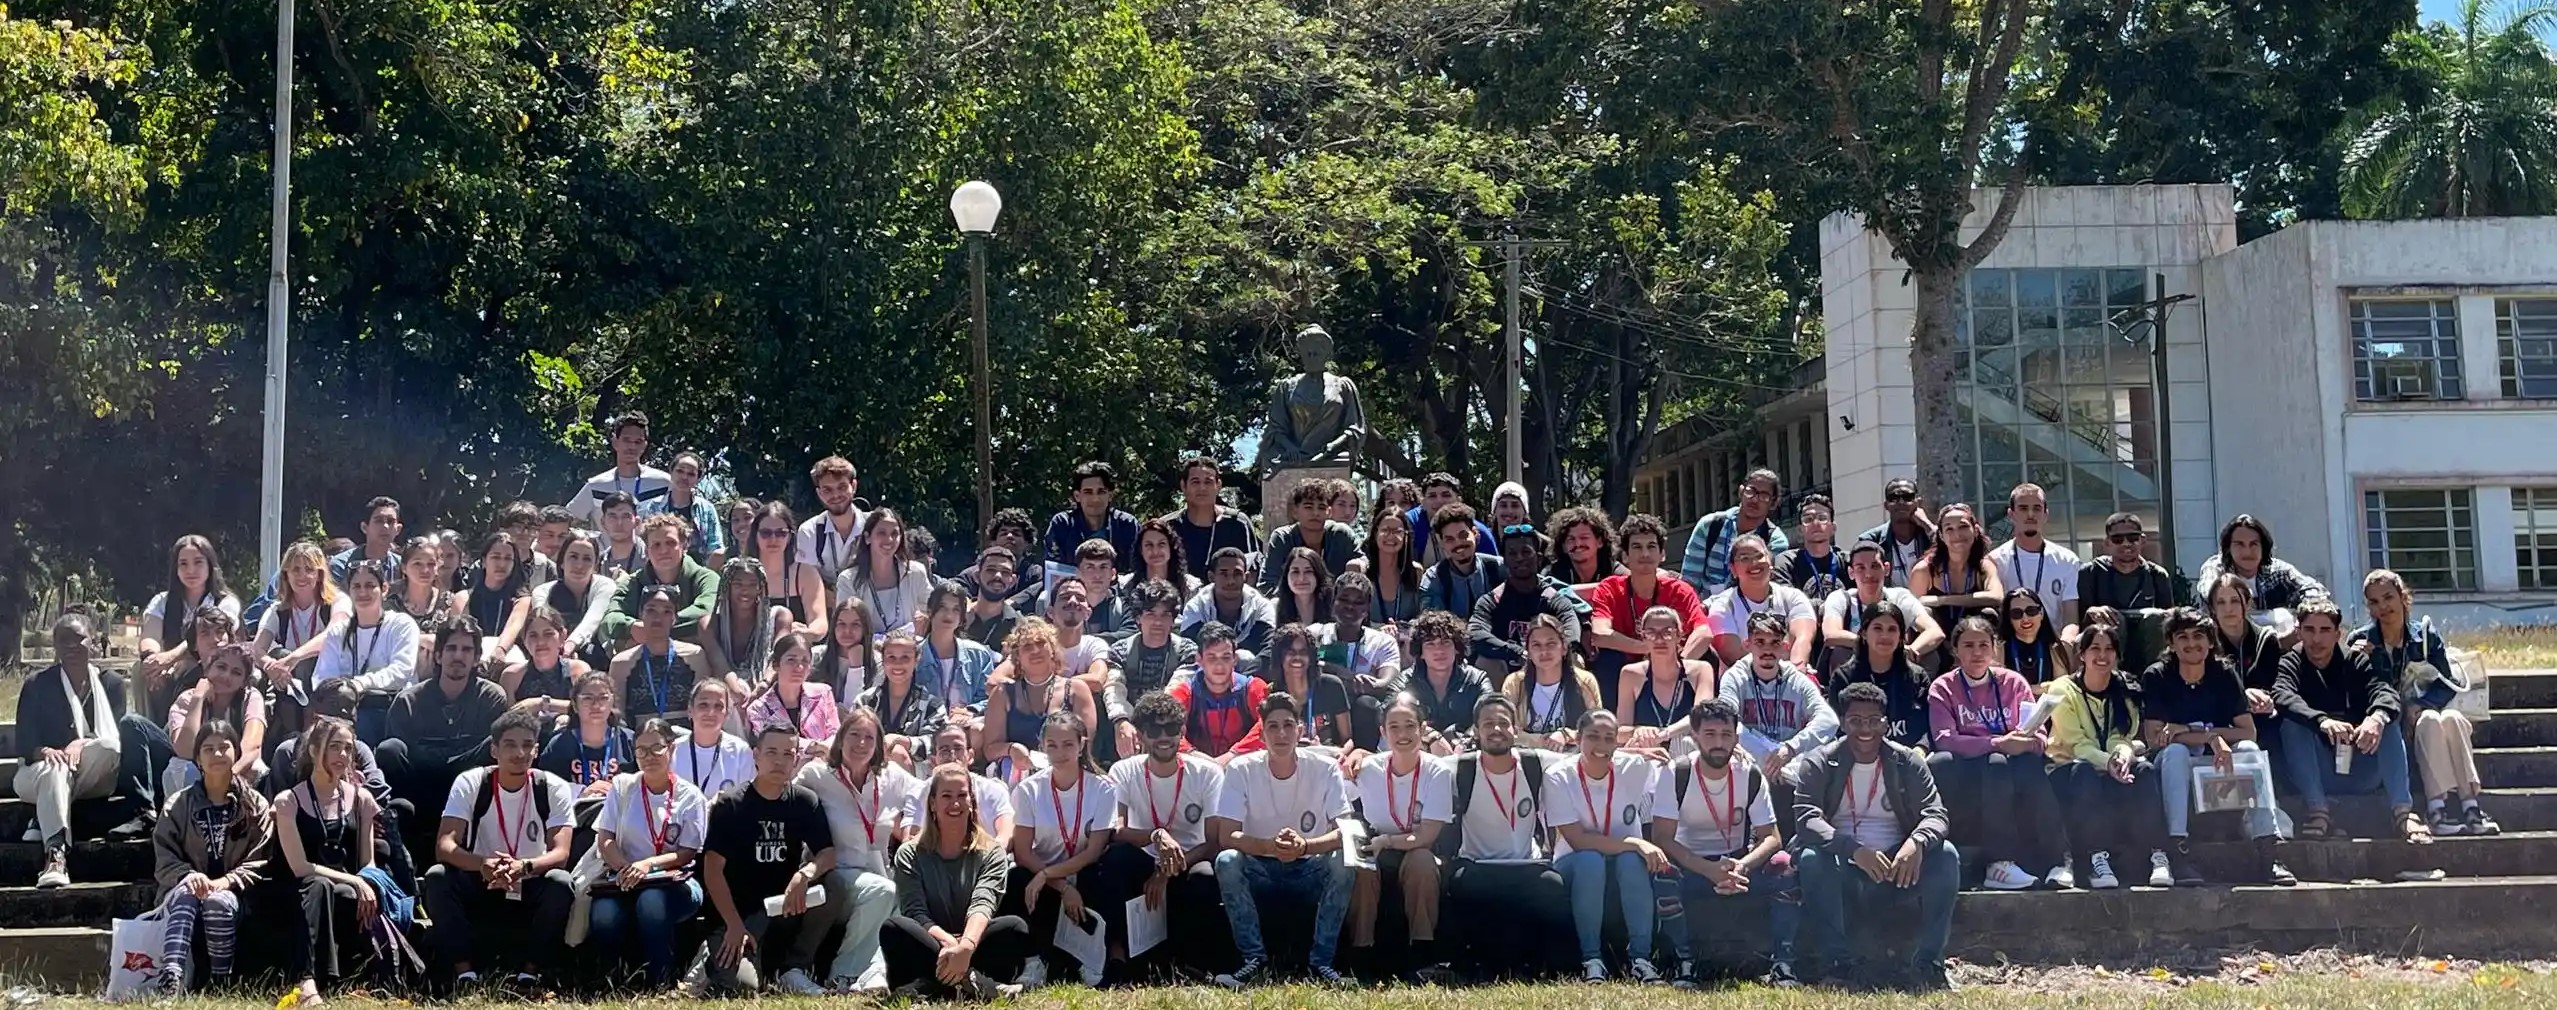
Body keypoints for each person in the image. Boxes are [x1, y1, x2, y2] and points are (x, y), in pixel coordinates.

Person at [1793, 682, 1960, 991]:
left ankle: (1929, 963)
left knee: (1947, 855)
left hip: (1897, 866)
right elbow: (1806, 818)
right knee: (1811, 859)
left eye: (1873, 720)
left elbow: (1936, 814)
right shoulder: (1819, 761)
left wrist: (1916, 842)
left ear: (1886, 723)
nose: (1865, 728)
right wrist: (1853, 850)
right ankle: (1838, 965)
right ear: (1842, 723)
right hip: (1844, 867)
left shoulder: (1907, 760)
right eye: (1855, 720)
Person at [424, 706, 577, 991]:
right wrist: (483, 864)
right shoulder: (471, 782)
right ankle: (464, 973)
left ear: (537, 750)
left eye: (527, 745)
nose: (519, 753)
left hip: (528, 882)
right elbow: (445, 845)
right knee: (437, 876)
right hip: (481, 880)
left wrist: (524, 867)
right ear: (494, 750)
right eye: (510, 745)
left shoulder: (553, 787)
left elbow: (561, 853)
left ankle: (530, 974)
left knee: (561, 882)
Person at [2139, 607, 2294, 887]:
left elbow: (2248, 730)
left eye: (2199, 636)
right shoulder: (2158, 675)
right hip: (2176, 767)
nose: (2191, 643)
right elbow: (2155, 738)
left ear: (2211, 642)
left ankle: (2269, 850)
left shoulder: (2223, 672)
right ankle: (2178, 851)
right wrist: (2209, 737)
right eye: (2182, 637)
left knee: (2248, 750)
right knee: (2174, 752)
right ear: (2171, 644)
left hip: (2218, 766)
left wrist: (2191, 731)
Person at [1210, 692, 1356, 988]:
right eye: (1273, 726)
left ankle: (1322, 962)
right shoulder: (1241, 769)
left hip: (1308, 867)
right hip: (1260, 867)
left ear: (1300, 730)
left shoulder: (1324, 767)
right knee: (1226, 860)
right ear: (1261, 733)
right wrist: (1268, 847)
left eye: (1288, 725)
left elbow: (1347, 830)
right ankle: (1254, 960)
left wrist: (1304, 846)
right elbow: (1227, 835)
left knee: (1345, 861)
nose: (1281, 733)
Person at [1651, 699, 1797, 988]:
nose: (1718, 743)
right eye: (1710, 734)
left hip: (1738, 863)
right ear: (1694, 736)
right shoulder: (1676, 772)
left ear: (1736, 737)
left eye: (1726, 735)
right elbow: (1662, 838)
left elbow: (1772, 837)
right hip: (1692, 863)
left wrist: (1741, 866)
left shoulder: (1749, 773)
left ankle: (1784, 962)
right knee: (1662, 873)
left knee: (1785, 866)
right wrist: (1708, 870)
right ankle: (1684, 963)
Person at [699, 725, 849, 996]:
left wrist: (805, 874)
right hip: (738, 914)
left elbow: (828, 853)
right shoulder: (731, 805)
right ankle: (707, 958)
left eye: (788, 754)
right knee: (743, 987)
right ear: (756, 755)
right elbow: (712, 871)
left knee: (833, 886)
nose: (779, 761)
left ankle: (794, 968)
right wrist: (733, 925)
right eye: (771, 752)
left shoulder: (804, 801)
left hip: (783, 907)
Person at [1925, 617, 2072, 890]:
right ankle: (1999, 863)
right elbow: (1944, 739)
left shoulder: (2013, 683)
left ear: (1994, 648)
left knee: (2028, 763)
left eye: (1984, 645)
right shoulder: (1943, 687)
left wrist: (2023, 742)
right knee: (1993, 762)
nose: (1977, 652)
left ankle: (2058, 861)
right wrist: (1998, 743)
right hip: (1968, 766)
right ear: (1955, 650)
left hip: (2012, 763)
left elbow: (2039, 736)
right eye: (1968, 645)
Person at [2355, 570, 2499, 837]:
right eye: (2374, 602)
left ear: (2403, 597)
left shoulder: (2424, 634)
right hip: (2391, 729)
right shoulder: (2362, 641)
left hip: (2423, 717)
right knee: (2431, 720)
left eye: (2388, 597)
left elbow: (2447, 681)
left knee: (2450, 718)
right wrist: (2363, 660)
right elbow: (2361, 692)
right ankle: (2436, 809)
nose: (2383, 607)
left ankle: (2471, 805)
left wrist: (2420, 703)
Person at [1439, 695, 1571, 981]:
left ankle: (1542, 965)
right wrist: (1359, 756)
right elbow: (1416, 761)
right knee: (1465, 885)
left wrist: (1634, 751)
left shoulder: (1536, 763)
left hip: (1526, 865)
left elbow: (1585, 758)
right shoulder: (1459, 767)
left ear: (1515, 729)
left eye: (1503, 723)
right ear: (1476, 730)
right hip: (1477, 865)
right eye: (1488, 724)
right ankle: (1483, 964)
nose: (1496, 730)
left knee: (1553, 886)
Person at [2272, 598, 2423, 842]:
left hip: (2361, 766)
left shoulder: (2356, 661)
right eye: (2309, 630)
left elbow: (2384, 693)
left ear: (2337, 634)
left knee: (2387, 721)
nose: (2316, 639)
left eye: (2324, 631)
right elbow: (2282, 696)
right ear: (2299, 633)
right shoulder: (2291, 662)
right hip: (2316, 771)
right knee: (2292, 725)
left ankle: (2403, 813)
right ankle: (2318, 811)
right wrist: (2321, 721)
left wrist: (2375, 718)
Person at [1099, 692, 1228, 977]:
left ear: (1182, 731)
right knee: (1115, 860)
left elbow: (1213, 841)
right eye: (1154, 730)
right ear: (1142, 735)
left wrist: (1166, 872)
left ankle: (1191, 961)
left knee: (1205, 877)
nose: (1163, 737)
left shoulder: (1207, 773)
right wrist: (1156, 835)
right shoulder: (1123, 770)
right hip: (1144, 858)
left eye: (1171, 728)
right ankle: (1117, 955)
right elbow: (1116, 830)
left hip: (1189, 859)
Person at [146, 717, 274, 996]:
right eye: (208, 749)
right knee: (186, 893)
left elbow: (260, 859)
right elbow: (165, 856)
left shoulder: (255, 805)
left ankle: (220, 980)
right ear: (197, 760)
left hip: (237, 895)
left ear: (236, 753)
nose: (217, 754)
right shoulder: (178, 804)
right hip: (185, 893)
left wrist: (224, 882)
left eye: (224, 747)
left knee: (217, 900)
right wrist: (188, 875)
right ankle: (172, 977)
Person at [793, 704, 915, 991]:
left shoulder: (891, 776)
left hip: (880, 872)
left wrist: (910, 826)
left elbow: (924, 794)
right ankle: (844, 974)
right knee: (884, 892)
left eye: (869, 738)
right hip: (836, 875)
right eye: (854, 735)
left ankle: (876, 975)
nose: (861, 744)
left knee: (900, 903)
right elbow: (786, 798)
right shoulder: (817, 775)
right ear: (840, 738)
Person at [2044, 622, 2174, 889]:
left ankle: (2157, 854)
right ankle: (2095, 858)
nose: (2102, 656)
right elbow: (2076, 744)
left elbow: (2123, 737)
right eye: (2095, 649)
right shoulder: (2062, 689)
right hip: (2069, 771)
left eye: (2109, 649)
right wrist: (2110, 762)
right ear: (2082, 654)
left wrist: (2123, 756)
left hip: (2110, 768)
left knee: (2145, 770)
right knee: (2084, 771)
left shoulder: (2125, 688)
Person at [887, 763, 1033, 998]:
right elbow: (915, 912)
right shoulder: (909, 853)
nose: (955, 803)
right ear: (932, 803)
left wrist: (966, 945)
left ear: (971, 801)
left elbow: (983, 902)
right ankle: (975, 983)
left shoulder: (992, 851)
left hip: (973, 942)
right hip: (931, 940)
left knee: (1015, 927)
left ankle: (930, 986)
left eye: (962, 796)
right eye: (946, 796)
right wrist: (951, 945)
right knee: (894, 928)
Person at [1542, 709, 1666, 983]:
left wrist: (1735, 756)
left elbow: (1677, 774)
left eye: (1609, 738)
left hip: (1625, 857)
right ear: (1577, 738)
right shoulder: (1558, 775)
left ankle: (1641, 959)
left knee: (1632, 861)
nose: (1601, 746)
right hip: (1574, 859)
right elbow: (1577, 839)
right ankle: (1592, 958)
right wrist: (1635, 841)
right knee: (1591, 860)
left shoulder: (1634, 766)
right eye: (1593, 737)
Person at [587, 718, 710, 988]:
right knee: (604, 913)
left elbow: (687, 852)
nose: (649, 757)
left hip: (673, 883)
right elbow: (605, 838)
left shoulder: (691, 797)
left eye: (656, 748)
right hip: (623, 878)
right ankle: (609, 978)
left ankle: (660, 978)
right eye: (641, 750)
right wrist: (624, 868)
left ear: (671, 749)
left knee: (651, 901)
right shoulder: (622, 787)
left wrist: (646, 866)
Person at [273, 717, 384, 1004]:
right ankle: (306, 981)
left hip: (343, 885)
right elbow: (300, 867)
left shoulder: (361, 799)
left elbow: (366, 862)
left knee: (349, 893)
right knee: (319, 885)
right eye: (334, 747)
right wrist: (355, 880)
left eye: (348, 748)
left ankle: (353, 976)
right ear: (313, 750)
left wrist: (364, 881)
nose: (343, 756)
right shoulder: (289, 801)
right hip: (298, 888)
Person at [1007, 713, 1121, 986]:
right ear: (1042, 746)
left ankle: (1089, 958)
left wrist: (1052, 876)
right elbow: (1023, 852)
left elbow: (1094, 850)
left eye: (1068, 744)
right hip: (1043, 877)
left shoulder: (1103, 788)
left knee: (1105, 872)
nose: (1060, 753)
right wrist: (1060, 885)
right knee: (1017, 878)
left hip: (1081, 872)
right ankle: (1034, 960)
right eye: (1052, 745)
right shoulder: (1029, 789)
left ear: (1082, 745)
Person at [1345, 696, 1450, 983]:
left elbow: (1428, 834)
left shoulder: (1437, 770)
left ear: (1422, 729)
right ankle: (1360, 954)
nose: (1402, 735)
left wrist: (1389, 842)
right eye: (1394, 727)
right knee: (1361, 866)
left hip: (1417, 846)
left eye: (1409, 726)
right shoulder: (1367, 768)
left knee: (1422, 862)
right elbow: (1336, 792)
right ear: (1383, 732)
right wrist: (1351, 757)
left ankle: (1422, 952)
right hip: (1376, 843)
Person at [380, 619, 514, 840]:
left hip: (468, 784)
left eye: (466, 649)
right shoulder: (408, 700)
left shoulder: (491, 697)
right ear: (438, 656)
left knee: (496, 744)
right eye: (451, 648)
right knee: (389, 749)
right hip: (419, 784)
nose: (458, 656)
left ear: (476, 658)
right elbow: (397, 756)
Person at [1585, 515, 1712, 704]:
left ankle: (1705, 720)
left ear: (1662, 554)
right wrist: (1649, 649)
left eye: (1651, 547)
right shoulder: (1610, 588)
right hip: (1627, 664)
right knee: (1607, 659)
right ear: (1625, 556)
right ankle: (1614, 725)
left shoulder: (1679, 589)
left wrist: (1675, 662)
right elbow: (1600, 634)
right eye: (1637, 547)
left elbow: (1704, 633)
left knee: (1710, 655)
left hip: (1674, 664)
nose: (1645, 554)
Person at [1719, 612, 1838, 797]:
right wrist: (1769, 757)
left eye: (1774, 643)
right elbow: (1726, 721)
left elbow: (1829, 720)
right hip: (1751, 760)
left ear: (1784, 647)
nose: (1767, 650)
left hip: (1791, 758)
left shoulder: (1797, 680)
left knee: (1830, 744)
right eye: (1760, 642)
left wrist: (1789, 749)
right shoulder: (1735, 677)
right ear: (1747, 644)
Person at [317, 560, 419, 744]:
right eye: (356, 586)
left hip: (389, 708)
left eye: (370, 586)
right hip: (345, 709)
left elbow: (401, 671)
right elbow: (322, 676)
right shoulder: (338, 631)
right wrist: (342, 688)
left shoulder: (402, 625)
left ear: (384, 589)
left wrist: (359, 684)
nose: (363, 592)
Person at [983, 617, 1102, 768]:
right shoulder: (1002, 694)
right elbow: (990, 749)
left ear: (1053, 649)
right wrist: (1011, 748)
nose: (1035, 650)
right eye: (1027, 646)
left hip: (1067, 771)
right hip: (1019, 775)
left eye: (1041, 643)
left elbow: (1085, 744)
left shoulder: (1076, 690)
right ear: (1017, 657)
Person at [137, 535, 244, 702]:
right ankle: (147, 725)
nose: (191, 570)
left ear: (210, 565)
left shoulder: (225, 602)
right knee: (141, 670)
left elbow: (209, 640)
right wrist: (154, 661)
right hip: (169, 668)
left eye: (198, 562)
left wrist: (170, 658)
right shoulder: (162, 601)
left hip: (213, 665)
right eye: (183, 564)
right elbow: (150, 635)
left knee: (189, 668)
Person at [1467, 527, 1582, 679]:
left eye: (1526, 552)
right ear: (1505, 561)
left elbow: (1571, 633)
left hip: (1548, 667)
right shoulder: (1491, 601)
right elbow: (1475, 633)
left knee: (1575, 660)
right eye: (1512, 554)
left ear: (1539, 558)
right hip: (1508, 670)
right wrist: (1517, 652)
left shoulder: (1554, 599)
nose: (1519, 558)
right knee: (1486, 662)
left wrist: (1543, 654)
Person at [1105, 581, 1200, 761]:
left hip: (1170, 724)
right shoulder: (1119, 651)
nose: (1158, 622)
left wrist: (1151, 728)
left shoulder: (1187, 650)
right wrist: (1121, 721)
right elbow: (1114, 690)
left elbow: (1176, 691)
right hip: (1130, 723)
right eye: (1150, 614)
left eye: (1165, 615)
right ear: (1138, 618)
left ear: (1173, 619)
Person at [1820, 541, 1943, 677]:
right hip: (1858, 669)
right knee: (1841, 652)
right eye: (1861, 568)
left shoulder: (1899, 597)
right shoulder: (1841, 598)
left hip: (1896, 668)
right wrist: (1875, 645)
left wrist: (1911, 650)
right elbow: (1831, 634)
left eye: (1875, 566)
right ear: (1851, 573)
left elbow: (1935, 632)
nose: (1869, 574)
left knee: (1930, 655)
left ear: (1886, 569)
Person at [164, 644, 269, 795]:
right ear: (208, 669)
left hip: (234, 767)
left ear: (244, 682)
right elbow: (185, 751)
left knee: (256, 767)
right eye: (221, 667)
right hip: (199, 766)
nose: (226, 676)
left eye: (236, 673)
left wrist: (226, 778)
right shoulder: (188, 699)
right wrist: (199, 698)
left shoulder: (250, 698)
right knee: (181, 768)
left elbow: (252, 748)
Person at [1311, 572, 1403, 744]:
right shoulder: (1316, 633)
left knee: (1367, 704)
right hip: (1322, 712)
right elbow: (1304, 668)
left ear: (1368, 608)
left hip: (1361, 715)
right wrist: (1341, 673)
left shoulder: (1383, 642)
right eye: (1344, 599)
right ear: (1333, 601)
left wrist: (1375, 684)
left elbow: (1389, 679)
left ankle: (1363, 756)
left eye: (1358, 602)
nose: (1350, 607)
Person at [1907, 503, 2005, 662]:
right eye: (1949, 529)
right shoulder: (1925, 570)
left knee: (1989, 613)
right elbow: (1910, 613)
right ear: (1940, 535)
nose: (1957, 534)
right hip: (1936, 645)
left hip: (1972, 644)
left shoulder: (1983, 566)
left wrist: (1942, 600)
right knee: (1926, 612)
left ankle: (1993, 670)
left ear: (1975, 529)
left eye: (1963, 527)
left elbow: (1997, 597)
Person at [605, 515, 722, 646]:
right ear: (647, 551)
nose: (664, 550)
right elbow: (610, 619)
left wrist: (656, 627)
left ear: (684, 545)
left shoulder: (707, 579)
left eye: (670, 543)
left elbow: (706, 610)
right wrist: (631, 626)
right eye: (656, 545)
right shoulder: (632, 582)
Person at [1828, 602, 1932, 749]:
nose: (1885, 636)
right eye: (1877, 628)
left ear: (1901, 636)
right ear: (1864, 633)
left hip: (1909, 760)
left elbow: (1929, 726)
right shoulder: (1844, 678)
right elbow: (1836, 727)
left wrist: (1921, 749)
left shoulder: (1917, 677)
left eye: (1892, 630)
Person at [251, 542, 351, 694]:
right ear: (286, 574)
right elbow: (257, 648)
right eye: (295, 570)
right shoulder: (278, 610)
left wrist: (293, 658)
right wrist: (269, 664)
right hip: (290, 683)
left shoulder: (338, 601)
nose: (302, 576)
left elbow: (333, 633)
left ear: (319, 575)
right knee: (278, 659)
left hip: (328, 681)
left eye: (309, 569)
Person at [1704, 535, 1818, 668]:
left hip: (1791, 676)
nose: (1754, 563)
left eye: (1759, 556)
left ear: (1770, 560)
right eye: (1744, 558)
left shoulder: (1793, 597)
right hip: (1744, 681)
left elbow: (1803, 639)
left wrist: (1793, 675)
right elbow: (1732, 655)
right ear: (1733, 569)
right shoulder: (1723, 606)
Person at [2077, 512, 2176, 660]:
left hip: (2147, 648)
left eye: (2132, 538)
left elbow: (2168, 620)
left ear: (2142, 540)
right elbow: (2080, 619)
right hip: (2106, 647)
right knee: (2112, 620)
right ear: (2107, 543)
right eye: (2117, 539)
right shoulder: (2090, 572)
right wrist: (2092, 611)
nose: (2126, 544)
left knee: (2156, 618)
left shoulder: (2157, 575)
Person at [1679, 468, 1790, 597]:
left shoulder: (1776, 541)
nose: (1754, 500)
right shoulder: (1710, 525)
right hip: (1704, 611)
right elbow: (1690, 580)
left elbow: (1767, 586)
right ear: (1741, 492)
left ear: (1773, 503)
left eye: (1764, 496)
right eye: (1751, 492)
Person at [2192, 513, 2329, 618]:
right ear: (2228, 548)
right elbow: (2208, 589)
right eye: (2239, 544)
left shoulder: (2277, 570)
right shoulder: (2216, 567)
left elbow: (2314, 589)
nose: (2247, 552)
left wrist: (2305, 610)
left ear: (2264, 547)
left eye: (2253, 544)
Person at [1988, 484, 2081, 635]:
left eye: (2037, 508)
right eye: (2023, 508)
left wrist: (2066, 645)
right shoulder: (1995, 561)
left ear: (2045, 514)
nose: (2030, 514)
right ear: (2011, 514)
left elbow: (2071, 620)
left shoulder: (2067, 560)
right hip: (2010, 650)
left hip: (2053, 648)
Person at [1169, 622, 1270, 762]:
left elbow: (1270, 723)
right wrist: (1199, 759)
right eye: (1211, 657)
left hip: (1243, 768)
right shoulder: (1184, 692)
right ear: (1199, 659)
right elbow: (1166, 729)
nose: (1219, 665)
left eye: (1226, 657)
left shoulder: (1253, 688)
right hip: (1195, 770)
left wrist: (1233, 755)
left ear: (1235, 659)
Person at [1616, 608, 1716, 746]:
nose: (1659, 639)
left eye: (1667, 633)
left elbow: (1701, 717)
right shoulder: (1630, 674)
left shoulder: (1701, 670)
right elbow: (1620, 732)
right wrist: (1638, 731)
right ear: (1643, 637)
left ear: (1679, 636)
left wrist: (1664, 734)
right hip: (1648, 752)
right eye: (1651, 633)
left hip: (1688, 750)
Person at [610, 587, 708, 727]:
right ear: (641, 614)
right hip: (640, 738)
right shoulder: (622, 663)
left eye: (667, 612)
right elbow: (618, 715)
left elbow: (703, 705)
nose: (658, 618)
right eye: (651, 610)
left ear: (674, 618)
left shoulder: (695, 656)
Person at [1506, 616, 1606, 749]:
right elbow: (1508, 730)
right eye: (1536, 645)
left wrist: (1566, 735)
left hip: (1572, 757)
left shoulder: (1585, 681)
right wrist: (1542, 741)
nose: (1544, 652)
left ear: (1564, 648)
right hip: (1530, 757)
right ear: (1528, 651)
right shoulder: (1515, 683)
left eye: (1551, 644)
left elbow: (1597, 728)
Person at [747, 633, 842, 770]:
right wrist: (814, 746)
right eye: (791, 660)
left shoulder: (824, 693)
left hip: (825, 769)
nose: (799, 668)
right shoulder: (757, 709)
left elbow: (836, 733)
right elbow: (776, 745)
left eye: (805, 661)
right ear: (776, 665)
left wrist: (825, 748)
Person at [1405, 611, 1493, 754]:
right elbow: (1390, 712)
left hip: (1466, 752)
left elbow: (1490, 713)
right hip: (1420, 752)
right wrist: (1432, 737)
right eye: (1430, 644)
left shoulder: (1477, 679)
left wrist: (1465, 742)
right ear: (1420, 652)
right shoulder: (1406, 680)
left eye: (1446, 642)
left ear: (1457, 648)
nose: (1439, 650)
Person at [919, 579, 1001, 732]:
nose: (949, 614)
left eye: (956, 609)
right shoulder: (915, 656)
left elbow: (990, 697)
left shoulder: (979, 655)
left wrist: (970, 710)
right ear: (930, 611)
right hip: (926, 731)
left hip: (966, 730)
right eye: (942, 607)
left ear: (962, 616)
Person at [840, 508, 934, 635]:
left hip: (907, 650)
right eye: (881, 533)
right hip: (866, 651)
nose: (889, 539)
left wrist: (925, 619)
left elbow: (933, 610)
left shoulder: (916, 572)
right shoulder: (848, 580)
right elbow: (845, 627)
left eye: (894, 534)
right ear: (868, 538)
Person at [540, 672, 635, 797]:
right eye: (588, 698)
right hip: (578, 814)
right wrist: (580, 792)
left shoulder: (630, 740)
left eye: (603, 698)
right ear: (575, 705)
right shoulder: (558, 746)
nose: (596, 705)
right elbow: (546, 791)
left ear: (612, 702)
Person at [2204, 573, 2286, 717]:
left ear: (2247, 604)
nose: (2228, 609)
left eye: (2235, 601)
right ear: (2212, 608)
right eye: (2221, 602)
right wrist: (2242, 696)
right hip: (2219, 722)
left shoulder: (2266, 640)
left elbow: (2277, 685)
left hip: (2263, 719)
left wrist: (2264, 698)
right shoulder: (2205, 645)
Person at [751, 500, 833, 642]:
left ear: (790, 536)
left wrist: (807, 632)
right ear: (755, 535)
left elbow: (819, 622)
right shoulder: (744, 573)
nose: (773, 539)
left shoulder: (805, 574)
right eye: (765, 533)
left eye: (781, 533)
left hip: (794, 652)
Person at [865, 631, 953, 764]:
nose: (898, 664)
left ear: (916, 660)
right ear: (883, 660)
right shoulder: (865, 700)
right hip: (869, 766)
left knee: (897, 752)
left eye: (905, 657)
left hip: (914, 774)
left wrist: (904, 742)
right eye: (891, 657)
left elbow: (937, 743)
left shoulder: (932, 705)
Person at [1166, 455, 1258, 582]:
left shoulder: (1238, 523)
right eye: (1195, 482)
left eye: (1208, 482)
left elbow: (1252, 571)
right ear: (1183, 485)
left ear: (1218, 485)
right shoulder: (1167, 527)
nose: (1202, 488)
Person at [569, 411, 671, 523]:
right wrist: (588, 538)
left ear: (644, 445)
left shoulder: (663, 483)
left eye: (638, 442)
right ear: (614, 441)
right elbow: (565, 522)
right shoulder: (596, 486)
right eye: (626, 440)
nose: (632, 446)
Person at [1044, 461, 1143, 575]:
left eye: (1101, 492)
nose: (1095, 499)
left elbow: (1136, 568)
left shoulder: (1127, 524)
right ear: (1077, 496)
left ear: (1110, 495)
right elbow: (1054, 568)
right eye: (1088, 492)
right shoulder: (1062, 524)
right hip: (1073, 588)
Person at [531, 537, 616, 669]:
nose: (579, 565)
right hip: (551, 654)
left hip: (595, 657)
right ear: (562, 562)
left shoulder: (605, 586)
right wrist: (561, 650)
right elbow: (542, 624)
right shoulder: (542, 591)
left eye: (587, 559)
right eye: (573, 557)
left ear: (595, 566)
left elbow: (593, 618)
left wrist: (571, 644)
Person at [704, 558, 789, 688]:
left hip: (768, 688)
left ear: (760, 588)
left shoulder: (779, 617)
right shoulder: (709, 624)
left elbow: (779, 656)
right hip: (727, 689)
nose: (745, 590)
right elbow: (718, 663)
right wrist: (736, 689)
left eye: (752, 584)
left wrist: (764, 684)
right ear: (727, 587)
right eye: (738, 584)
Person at [1262, 482, 1359, 596]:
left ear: (1329, 512)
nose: (1315, 513)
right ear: (1295, 511)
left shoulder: (1341, 534)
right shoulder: (1283, 538)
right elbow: (1268, 584)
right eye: (1308, 507)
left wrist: (1359, 563)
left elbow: (1363, 560)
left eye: (1321, 507)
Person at [1268, 624, 1355, 748]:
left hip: (1328, 759)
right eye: (1290, 652)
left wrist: (1340, 754)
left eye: (1303, 652)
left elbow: (1348, 740)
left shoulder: (1332, 686)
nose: (1297, 657)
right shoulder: (1272, 695)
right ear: (1279, 657)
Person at [502, 605, 591, 724]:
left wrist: (541, 703)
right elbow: (508, 720)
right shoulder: (512, 676)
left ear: (562, 636)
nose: (540, 642)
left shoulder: (578, 670)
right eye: (533, 635)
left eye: (548, 634)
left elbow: (589, 706)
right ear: (524, 640)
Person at [1181, 548, 1277, 657]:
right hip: (1206, 669)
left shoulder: (1262, 607)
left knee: (1245, 657)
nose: (1231, 581)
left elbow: (1268, 651)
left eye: (1237, 574)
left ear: (1246, 577)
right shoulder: (1196, 607)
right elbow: (1189, 652)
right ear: (1211, 577)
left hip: (1250, 670)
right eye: (1224, 574)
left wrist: (1241, 674)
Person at [457, 533, 534, 668]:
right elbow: (460, 635)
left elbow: (514, 626)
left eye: (508, 558)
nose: (502, 564)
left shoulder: (523, 600)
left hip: (507, 659)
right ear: (484, 561)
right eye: (495, 557)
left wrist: (500, 651)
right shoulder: (463, 598)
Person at [796, 456, 870, 590]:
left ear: (853, 486)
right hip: (828, 606)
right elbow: (808, 582)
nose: (835, 495)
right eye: (827, 490)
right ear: (819, 493)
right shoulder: (809, 531)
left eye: (842, 487)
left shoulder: (873, 526)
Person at [1419, 506, 1506, 618]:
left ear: (1475, 533)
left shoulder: (1499, 568)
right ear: (1441, 543)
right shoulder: (1434, 579)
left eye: (1463, 535)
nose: (1458, 543)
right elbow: (1433, 623)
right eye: (1450, 539)